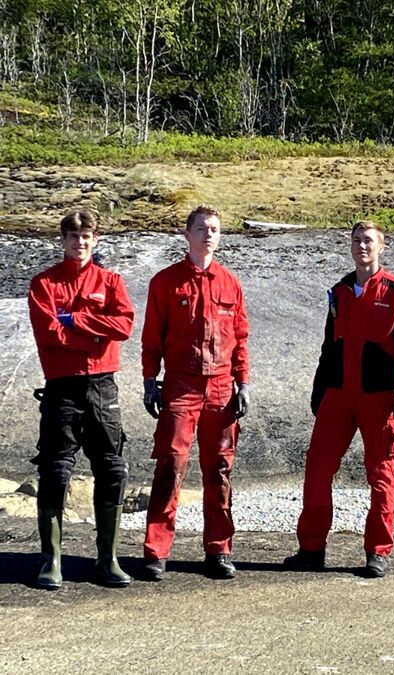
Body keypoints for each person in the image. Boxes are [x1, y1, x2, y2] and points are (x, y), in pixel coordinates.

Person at [285, 220, 394, 578]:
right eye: (356, 241)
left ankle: (377, 552)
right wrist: (319, 390)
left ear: (382, 246)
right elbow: (329, 346)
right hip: (337, 396)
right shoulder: (341, 290)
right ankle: (311, 549)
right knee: (317, 469)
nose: (361, 247)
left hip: (378, 398)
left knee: (380, 475)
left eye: (368, 241)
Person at [141, 205, 250, 581]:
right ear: (186, 235)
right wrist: (148, 380)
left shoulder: (230, 283)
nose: (208, 234)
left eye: (215, 229)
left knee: (219, 469)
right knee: (171, 465)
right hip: (181, 386)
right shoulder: (166, 282)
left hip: (220, 388)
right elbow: (152, 336)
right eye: (201, 228)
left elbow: (240, 338)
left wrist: (243, 382)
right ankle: (156, 550)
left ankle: (218, 550)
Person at [27, 209, 135, 589]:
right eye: (73, 236)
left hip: (103, 386)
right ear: (63, 240)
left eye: (87, 235)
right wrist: (92, 333)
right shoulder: (43, 284)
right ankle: (51, 559)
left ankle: (107, 559)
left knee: (112, 467)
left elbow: (123, 326)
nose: (80, 242)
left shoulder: (111, 281)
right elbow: (50, 334)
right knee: (56, 469)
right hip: (62, 388)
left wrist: (76, 320)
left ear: (96, 239)